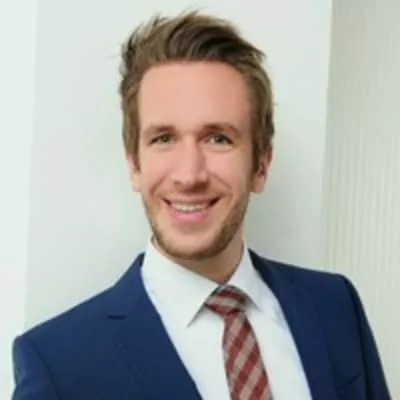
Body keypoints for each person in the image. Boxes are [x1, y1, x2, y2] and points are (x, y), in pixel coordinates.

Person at [12, 11, 390, 400]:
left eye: (218, 138)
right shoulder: (59, 365)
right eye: (163, 139)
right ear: (134, 165)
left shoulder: (335, 307)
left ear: (261, 165)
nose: (189, 175)